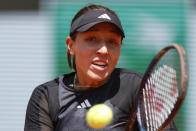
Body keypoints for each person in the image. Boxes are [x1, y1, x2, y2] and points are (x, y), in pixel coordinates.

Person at [24, 4, 177, 131]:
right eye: (92, 39)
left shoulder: (137, 87)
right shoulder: (47, 97)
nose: (104, 50)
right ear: (71, 46)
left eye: (112, 42)